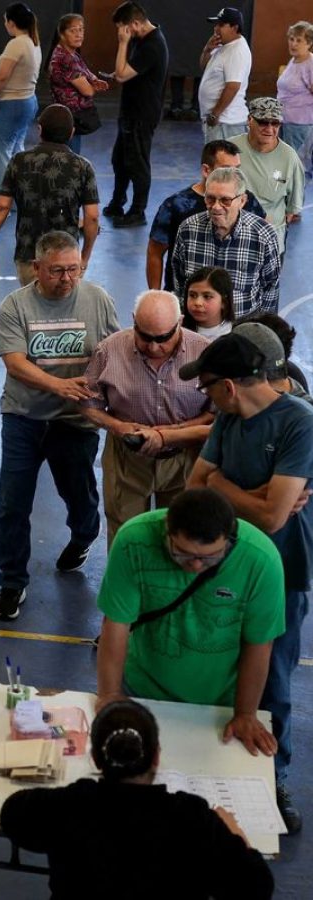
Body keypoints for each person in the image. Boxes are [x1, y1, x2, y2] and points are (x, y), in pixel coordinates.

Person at [185, 331, 313, 833]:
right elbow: (196, 490)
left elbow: (274, 517)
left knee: (274, 679)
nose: (205, 397)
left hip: (282, 570)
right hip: (226, 563)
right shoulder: (228, 418)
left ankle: (272, 778)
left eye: (207, 387)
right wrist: (247, 494)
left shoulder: (299, 422)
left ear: (230, 386)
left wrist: (224, 486)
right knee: (213, 663)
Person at [0, 699, 275, 900]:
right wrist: (236, 835)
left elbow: (11, 814)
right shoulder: (192, 819)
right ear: (156, 756)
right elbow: (255, 888)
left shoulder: (70, 806)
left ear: (95, 758)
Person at [0, 230, 120, 620]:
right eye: (57, 271)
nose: (67, 279)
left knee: (79, 495)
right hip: (24, 416)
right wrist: (59, 385)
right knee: (12, 503)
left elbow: (114, 352)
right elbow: (15, 363)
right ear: (37, 268)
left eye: (74, 270)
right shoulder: (15, 306)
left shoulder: (97, 299)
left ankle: (84, 535)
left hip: (75, 420)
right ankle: (12, 582)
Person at [96, 489, 283, 752]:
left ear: (229, 538)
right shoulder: (133, 541)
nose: (195, 565)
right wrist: (110, 694)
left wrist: (245, 714)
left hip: (218, 704)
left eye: (210, 557)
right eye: (182, 554)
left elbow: (259, 643)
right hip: (141, 689)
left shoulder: (261, 561)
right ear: (167, 531)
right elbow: (116, 623)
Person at [80, 291, 213, 545]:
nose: (153, 347)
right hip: (126, 457)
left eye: (162, 338)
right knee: (124, 536)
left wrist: (172, 433)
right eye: (144, 336)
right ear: (134, 321)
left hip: (186, 458)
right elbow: (88, 404)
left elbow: (215, 411)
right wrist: (117, 426)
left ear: (179, 323)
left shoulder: (204, 352)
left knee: (182, 535)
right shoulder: (109, 350)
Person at [0, 104, 99, 286]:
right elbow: (92, 217)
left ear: (40, 130)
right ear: (72, 133)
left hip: (29, 256)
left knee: (32, 302)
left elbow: (2, 206)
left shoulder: (19, 161)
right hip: (67, 260)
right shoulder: (83, 167)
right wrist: (84, 257)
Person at [146, 139, 266, 291]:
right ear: (206, 170)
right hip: (187, 296)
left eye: (237, 170)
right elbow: (155, 252)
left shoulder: (245, 200)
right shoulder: (176, 206)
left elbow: (263, 237)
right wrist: (155, 295)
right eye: (226, 170)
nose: (233, 176)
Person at [171, 167, 281, 318]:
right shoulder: (187, 230)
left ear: (242, 201)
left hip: (242, 326)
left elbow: (271, 286)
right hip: (197, 326)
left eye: (225, 200)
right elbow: (179, 279)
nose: (216, 207)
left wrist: (262, 326)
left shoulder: (263, 235)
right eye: (210, 199)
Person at [104, 2, 168, 229]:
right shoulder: (141, 40)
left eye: (124, 29)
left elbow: (122, 76)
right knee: (120, 160)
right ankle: (117, 201)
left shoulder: (152, 45)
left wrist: (122, 43)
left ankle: (138, 211)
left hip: (141, 114)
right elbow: (127, 71)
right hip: (130, 111)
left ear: (135, 24)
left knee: (137, 163)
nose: (122, 34)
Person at [0, 3, 40, 221]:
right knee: (16, 152)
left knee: (0, 154)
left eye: (5, 21)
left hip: (13, 103)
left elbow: (2, 76)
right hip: (28, 101)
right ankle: (16, 202)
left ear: (12, 23)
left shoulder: (16, 44)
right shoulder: (33, 42)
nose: (5, 24)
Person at [231, 96, 305, 256]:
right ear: (249, 120)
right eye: (263, 122)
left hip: (271, 242)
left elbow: (292, 208)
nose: (269, 129)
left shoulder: (290, 157)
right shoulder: (230, 149)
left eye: (275, 123)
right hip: (232, 239)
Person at [45, 13, 109, 156]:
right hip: (70, 118)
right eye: (73, 30)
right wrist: (92, 87)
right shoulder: (66, 58)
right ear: (62, 34)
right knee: (70, 157)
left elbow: (84, 70)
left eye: (81, 29)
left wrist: (93, 79)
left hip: (69, 117)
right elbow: (88, 91)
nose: (78, 34)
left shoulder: (69, 53)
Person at [199, 7, 251, 142]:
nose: (216, 28)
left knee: (222, 156)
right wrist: (207, 50)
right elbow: (204, 67)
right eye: (216, 24)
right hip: (220, 122)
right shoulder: (223, 45)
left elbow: (232, 87)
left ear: (235, 28)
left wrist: (215, 114)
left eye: (221, 25)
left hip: (226, 123)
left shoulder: (237, 51)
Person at [278, 21, 313, 176]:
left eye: (299, 40)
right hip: (285, 121)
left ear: (309, 43)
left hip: (300, 124)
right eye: (291, 39)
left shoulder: (310, 64)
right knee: (285, 165)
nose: (293, 44)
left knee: (296, 168)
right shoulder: (294, 60)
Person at [183, 265, 235, 338]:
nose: (198, 303)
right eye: (192, 295)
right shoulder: (176, 328)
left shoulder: (234, 333)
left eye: (207, 296)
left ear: (224, 302)